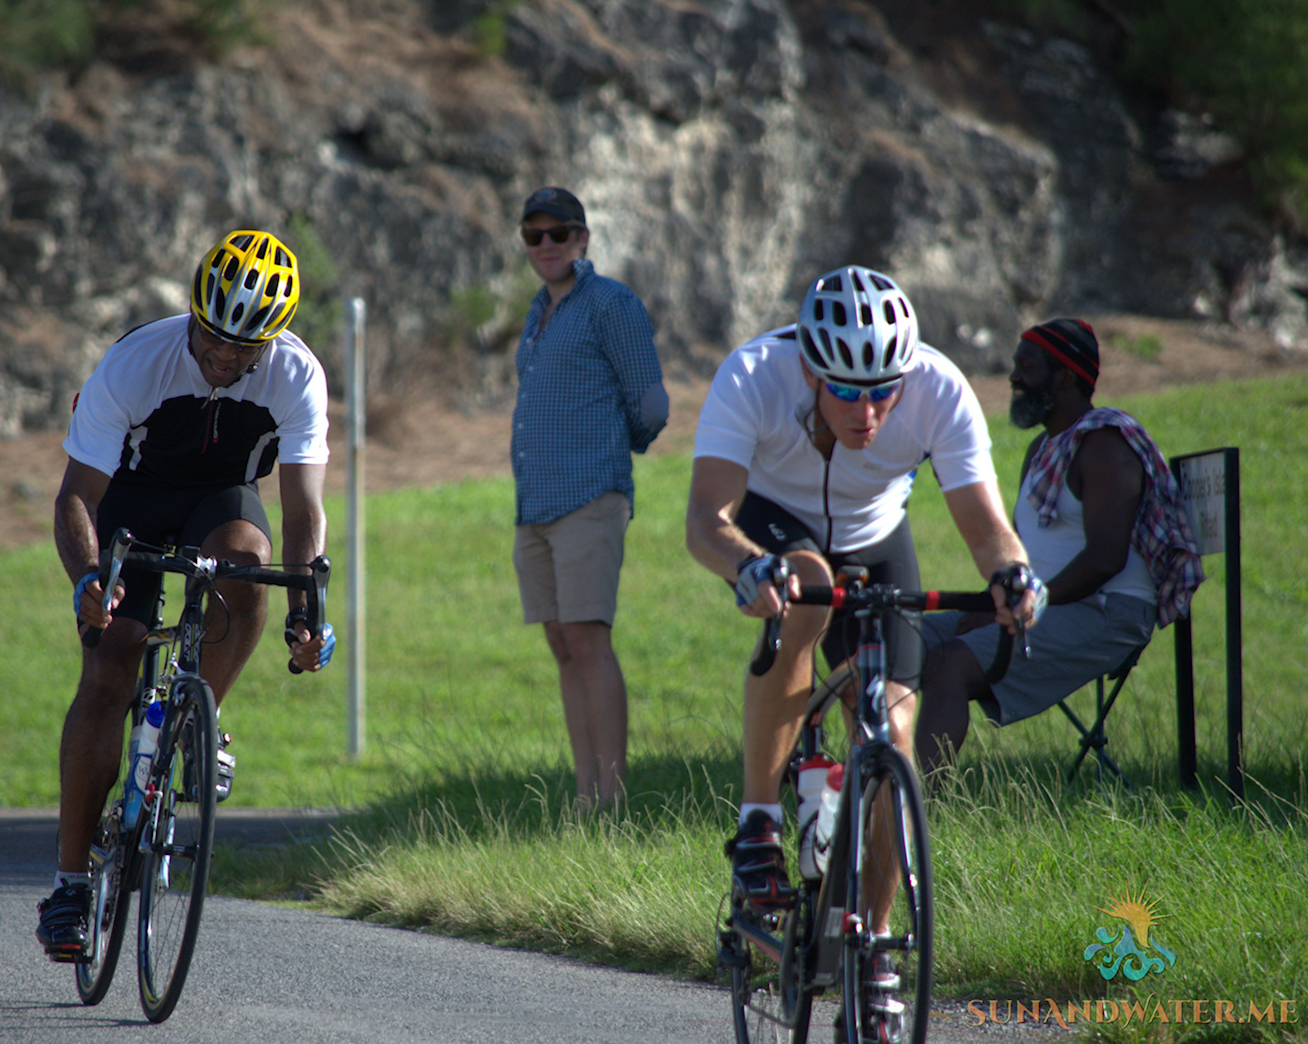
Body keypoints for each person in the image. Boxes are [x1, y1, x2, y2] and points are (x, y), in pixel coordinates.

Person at [684, 265, 1043, 1000]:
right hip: (773, 525)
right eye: (847, 390)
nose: (868, 410)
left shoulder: (939, 388)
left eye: (884, 390)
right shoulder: (754, 374)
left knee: (894, 736)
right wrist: (751, 569)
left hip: (876, 534)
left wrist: (1013, 575)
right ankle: (759, 825)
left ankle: (871, 945)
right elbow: (705, 519)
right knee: (806, 593)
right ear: (811, 370)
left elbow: (986, 526)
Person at [36, 229, 335, 962]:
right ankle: (71, 883)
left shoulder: (296, 374)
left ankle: (203, 719)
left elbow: (302, 512)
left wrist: (307, 610)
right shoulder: (137, 361)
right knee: (110, 667)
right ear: (193, 315)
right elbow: (76, 497)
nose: (227, 359)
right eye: (214, 340)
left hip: (221, 498)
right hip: (129, 499)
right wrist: (89, 579)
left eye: (247, 348)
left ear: (277, 339)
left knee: (248, 560)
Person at [914, 318, 1204, 775]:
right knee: (895, 642)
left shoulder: (1105, 444)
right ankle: (861, 783)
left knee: (950, 663)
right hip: (1032, 607)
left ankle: (914, 805)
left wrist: (1009, 609)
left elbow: (1105, 559)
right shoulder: (1041, 449)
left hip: (1107, 611)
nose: (1013, 378)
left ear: (1065, 376)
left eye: (1026, 367)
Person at [511, 186, 669, 810]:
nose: (546, 245)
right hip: (536, 507)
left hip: (589, 497)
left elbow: (651, 406)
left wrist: (610, 448)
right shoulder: (537, 309)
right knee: (561, 644)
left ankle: (613, 799)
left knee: (587, 640)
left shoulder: (611, 304)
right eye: (534, 235)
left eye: (559, 233)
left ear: (583, 239)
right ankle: (585, 797)